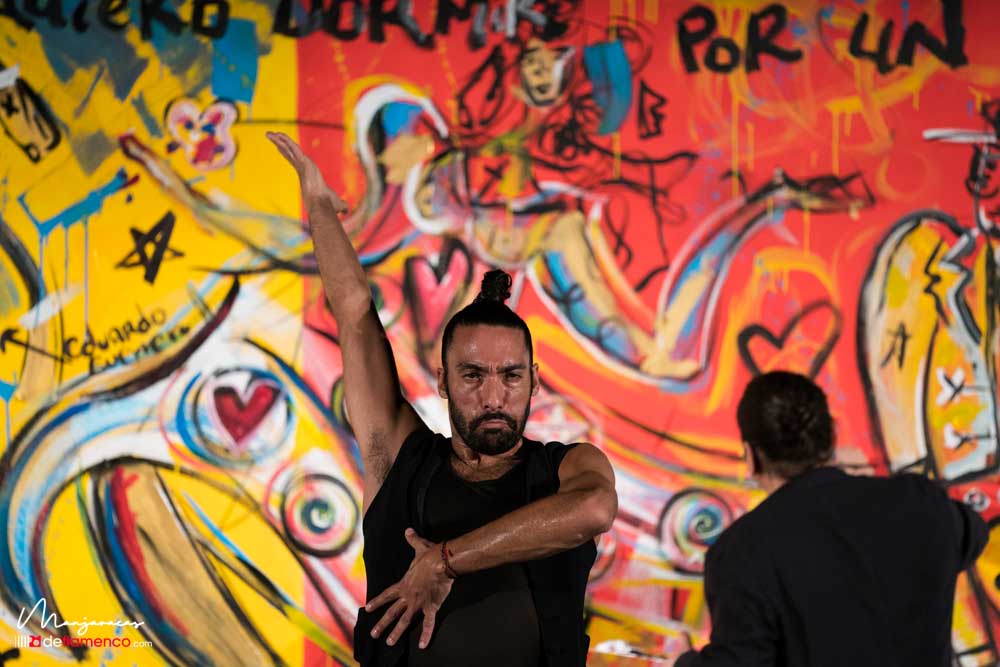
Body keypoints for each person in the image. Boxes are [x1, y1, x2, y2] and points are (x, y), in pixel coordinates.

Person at [267, 131, 618, 667]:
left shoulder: (567, 468)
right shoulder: (399, 459)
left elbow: (594, 508)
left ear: (534, 381)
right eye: (473, 375)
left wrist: (445, 562)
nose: (493, 395)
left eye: (511, 376)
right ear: (443, 381)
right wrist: (318, 204)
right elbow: (354, 313)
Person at [669, 370, 989, 666]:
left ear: (751, 456)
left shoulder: (742, 552)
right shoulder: (921, 504)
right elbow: (974, 533)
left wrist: (686, 662)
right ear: (832, 436)